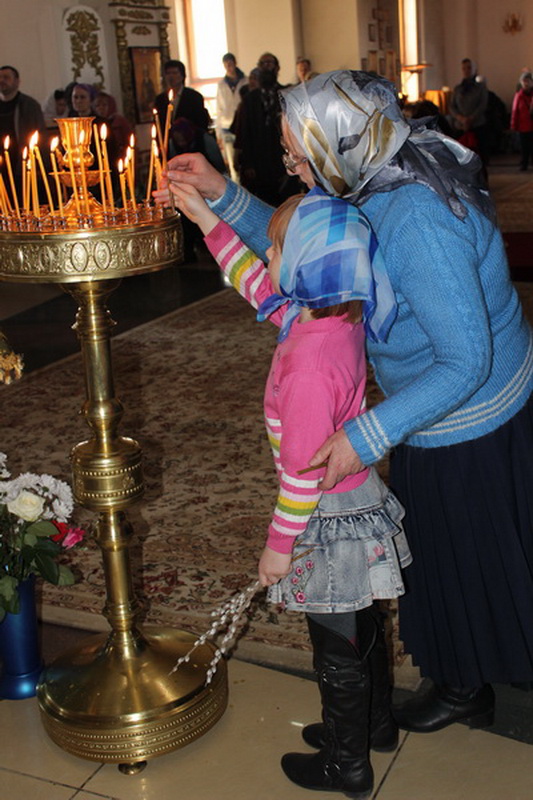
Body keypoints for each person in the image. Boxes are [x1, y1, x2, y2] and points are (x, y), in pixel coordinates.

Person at [159, 70, 533, 742]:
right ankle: (464, 680)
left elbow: (464, 361)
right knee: (445, 555)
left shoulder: (415, 218)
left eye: (297, 155)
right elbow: (300, 244)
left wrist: (365, 436)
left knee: (467, 556)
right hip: (432, 402)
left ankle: (466, 684)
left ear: (341, 144)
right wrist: (221, 194)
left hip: (470, 412)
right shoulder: (368, 170)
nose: (292, 168)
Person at [165, 175, 411, 798]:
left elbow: (301, 475)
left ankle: (347, 764)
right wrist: (204, 217)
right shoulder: (328, 314)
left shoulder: (307, 366)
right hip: (352, 501)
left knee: (335, 642)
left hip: (324, 515)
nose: (267, 256)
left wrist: (278, 548)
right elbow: (255, 283)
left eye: (277, 248)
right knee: (360, 625)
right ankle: (374, 725)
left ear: (304, 268)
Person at [153, 59, 210, 161]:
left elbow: (200, 122)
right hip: (167, 146)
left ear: (182, 75)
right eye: (168, 73)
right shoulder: (160, 99)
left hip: (190, 146)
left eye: (175, 73)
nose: (171, 76)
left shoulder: (194, 97)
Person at [449, 58, 489, 167]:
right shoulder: (458, 89)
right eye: (464, 68)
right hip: (460, 126)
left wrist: (471, 118)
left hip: (477, 125)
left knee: (479, 156)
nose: (466, 71)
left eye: (469, 68)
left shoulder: (480, 88)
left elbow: (482, 105)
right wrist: (460, 118)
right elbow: (452, 106)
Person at [215, 52, 247, 181]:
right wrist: (218, 133)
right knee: (232, 162)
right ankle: (236, 184)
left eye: (230, 63)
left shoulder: (245, 81)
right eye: (226, 64)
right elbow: (219, 108)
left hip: (243, 125)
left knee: (243, 158)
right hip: (227, 127)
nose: (229, 66)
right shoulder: (221, 85)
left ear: (235, 63)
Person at [93, 91, 133, 157]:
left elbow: (128, 138)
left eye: (104, 105)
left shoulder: (119, 121)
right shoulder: (95, 123)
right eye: (97, 106)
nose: (101, 108)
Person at [510, 70, 533, 171]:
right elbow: (515, 111)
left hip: (532, 125)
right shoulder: (519, 96)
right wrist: (513, 125)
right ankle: (524, 163)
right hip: (523, 126)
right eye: (524, 81)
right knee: (524, 147)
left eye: (528, 81)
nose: (526, 83)